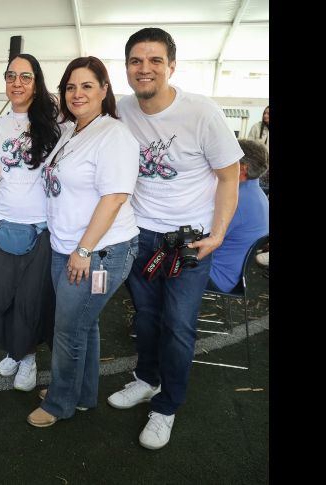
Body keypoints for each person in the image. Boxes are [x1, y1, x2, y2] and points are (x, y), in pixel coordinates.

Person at [106, 28, 243, 450]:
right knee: (146, 318)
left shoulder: (201, 112)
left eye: (155, 61)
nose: (144, 69)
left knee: (179, 326)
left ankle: (167, 406)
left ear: (171, 66)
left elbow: (229, 177)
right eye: (136, 61)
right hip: (141, 236)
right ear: (126, 67)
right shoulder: (122, 109)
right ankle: (147, 379)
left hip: (189, 243)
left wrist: (218, 234)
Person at [26, 56, 140, 427]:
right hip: (68, 248)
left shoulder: (114, 135)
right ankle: (83, 393)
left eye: (87, 86)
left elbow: (115, 197)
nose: (77, 93)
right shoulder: (73, 130)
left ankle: (60, 402)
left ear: (104, 90)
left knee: (68, 329)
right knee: (83, 325)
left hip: (98, 252)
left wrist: (84, 250)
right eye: (70, 87)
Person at [0, 54, 59, 391]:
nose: (17, 83)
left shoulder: (56, 124)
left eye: (25, 77)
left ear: (36, 83)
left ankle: (28, 358)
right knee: (2, 293)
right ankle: (15, 351)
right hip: (2, 219)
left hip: (41, 225)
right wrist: (9, 177)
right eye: (11, 76)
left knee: (31, 297)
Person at [208, 139, 269, 292]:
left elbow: (204, 239)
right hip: (232, 275)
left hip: (215, 276)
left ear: (242, 169)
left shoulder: (237, 200)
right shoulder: (257, 195)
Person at [247, 106, 269, 196]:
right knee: (258, 191)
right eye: (265, 113)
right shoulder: (256, 127)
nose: (265, 115)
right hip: (258, 167)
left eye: (268, 114)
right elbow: (249, 147)